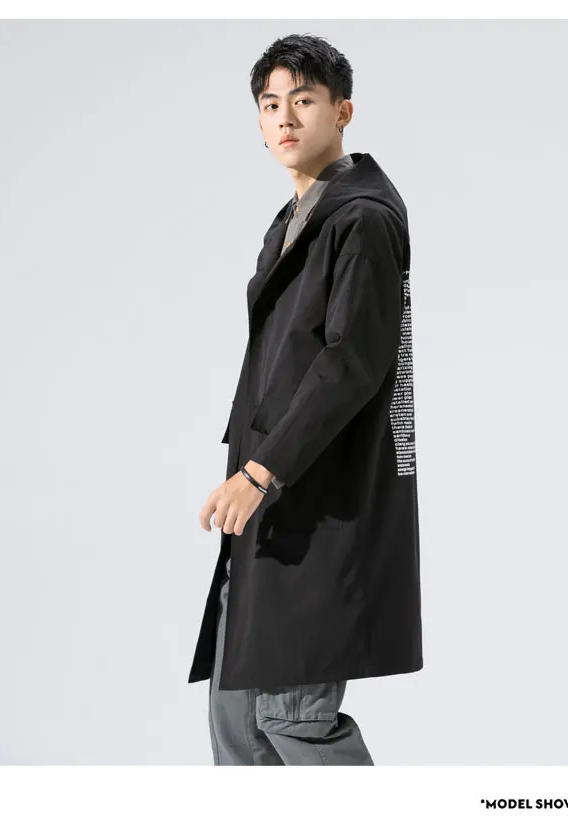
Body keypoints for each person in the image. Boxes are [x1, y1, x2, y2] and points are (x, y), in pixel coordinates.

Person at [188, 33, 423, 766]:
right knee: (238, 724)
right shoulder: (295, 219)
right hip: (268, 501)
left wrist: (262, 472)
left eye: (303, 100)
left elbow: (353, 362)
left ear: (342, 111)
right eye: (270, 104)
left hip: (312, 496)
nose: (285, 118)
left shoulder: (363, 218)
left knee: (292, 717)